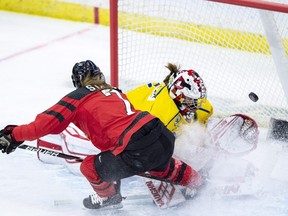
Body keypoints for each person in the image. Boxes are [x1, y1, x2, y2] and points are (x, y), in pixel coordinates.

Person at [0, 60, 203, 210]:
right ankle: (198, 182)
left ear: (77, 81)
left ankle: (109, 198)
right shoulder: (115, 91)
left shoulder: (78, 96)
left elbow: (43, 125)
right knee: (158, 162)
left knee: (89, 167)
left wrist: (14, 135)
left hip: (136, 148)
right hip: (162, 135)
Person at [126, 63, 213, 135]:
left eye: (196, 99)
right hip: (124, 126)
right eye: (190, 99)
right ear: (177, 93)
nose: (195, 104)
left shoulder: (172, 96)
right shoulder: (162, 117)